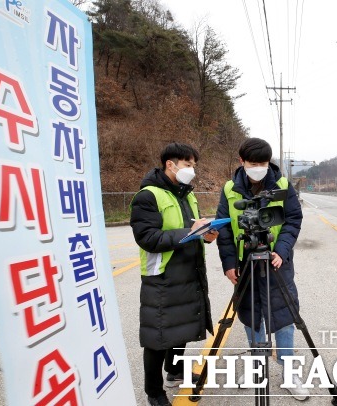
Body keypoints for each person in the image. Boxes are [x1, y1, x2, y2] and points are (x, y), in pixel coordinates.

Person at [215, 137, 309, 400]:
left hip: (278, 263)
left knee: (284, 318)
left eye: (263, 163)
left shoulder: (281, 184)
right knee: (251, 316)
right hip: (245, 264)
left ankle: (290, 374)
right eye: (254, 163)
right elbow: (222, 227)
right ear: (242, 162)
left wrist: (282, 250)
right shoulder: (229, 189)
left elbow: (293, 219)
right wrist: (229, 263)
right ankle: (257, 368)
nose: (259, 167)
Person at [130, 142, 218, 406]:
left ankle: (175, 372)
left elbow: (193, 228)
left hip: (190, 271)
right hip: (163, 275)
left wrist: (207, 235)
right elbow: (147, 238)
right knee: (157, 336)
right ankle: (154, 392)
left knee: (183, 327)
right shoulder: (148, 196)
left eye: (193, 165)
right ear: (171, 164)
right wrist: (189, 234)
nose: (192, 170)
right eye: (188, 164)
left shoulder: (186, 194)